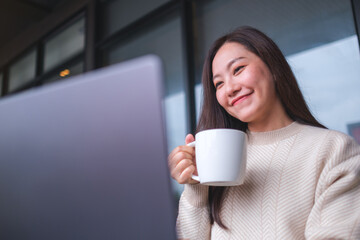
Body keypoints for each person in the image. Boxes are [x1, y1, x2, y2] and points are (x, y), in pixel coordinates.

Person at [168, 26, 360, 239]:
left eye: (238, 69)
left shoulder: (335, 150)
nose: (229, 88)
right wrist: (195, 188)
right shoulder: (216, 162)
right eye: (218, 84)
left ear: (272, 66)